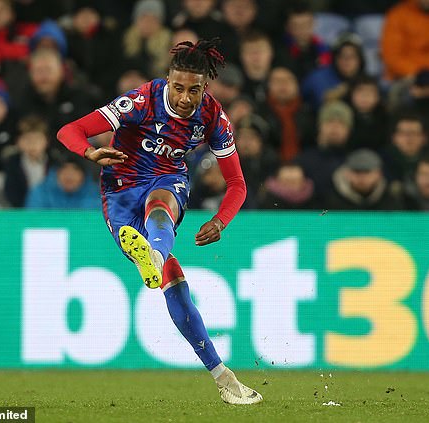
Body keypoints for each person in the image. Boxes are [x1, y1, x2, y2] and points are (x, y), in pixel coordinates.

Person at [57, 39, 262, 405]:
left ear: (205, 88)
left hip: (168, 180)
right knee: (175, 282)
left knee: (160, 207)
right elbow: (69, 130)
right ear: (168, 80)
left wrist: (221, 220)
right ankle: (223, 376)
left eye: (194, 90)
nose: (185, 97)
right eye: (179, 87)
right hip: (120, 186)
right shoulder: (143, 100)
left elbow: (237, 184)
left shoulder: (213, 116)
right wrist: (90, 152)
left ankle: (150, 252)